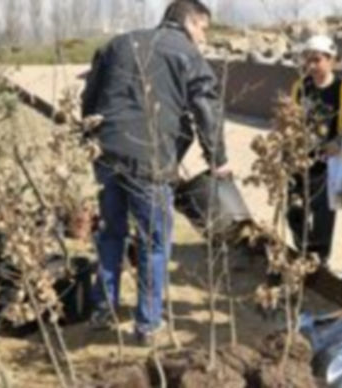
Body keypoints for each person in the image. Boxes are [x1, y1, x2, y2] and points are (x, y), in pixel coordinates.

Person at [81, 0, 229, 344]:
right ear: (190, 22)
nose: (203, 37)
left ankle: (103, 309)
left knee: (110, 233)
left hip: (106, 154)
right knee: (154, 243)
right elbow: (206, 105)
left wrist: (90, 139)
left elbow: (90, 98)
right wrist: (217, 157)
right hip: (150, 161)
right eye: (204, 28)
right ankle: (147, 325)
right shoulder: (187, 53)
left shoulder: (119, 43)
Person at [287, 34, 342, 266]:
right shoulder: (301, 87)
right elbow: (290, 119)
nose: (311, 66)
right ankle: (302, 249)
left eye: (317, 60)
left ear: (331, 60)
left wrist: (340, 140)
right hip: (299, 163)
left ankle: (319, 260)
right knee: (293, 211)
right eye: (308, 60)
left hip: (328, 168)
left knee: (324, 218)